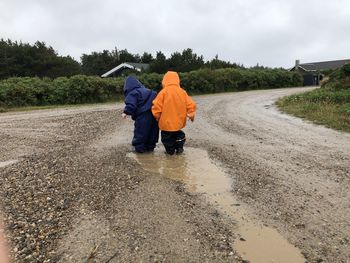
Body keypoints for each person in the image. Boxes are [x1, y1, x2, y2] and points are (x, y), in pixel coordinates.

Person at [152, 71, 196, 155]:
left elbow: (156, 106)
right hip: (178, 122)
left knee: (166, 139)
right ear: (177, 80)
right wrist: (191, 114)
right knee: (178, 134)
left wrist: (157, 116)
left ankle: (170, 151)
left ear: (164, 81)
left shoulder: (162, 93)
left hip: (166, 123)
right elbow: (191, 104)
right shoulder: (182, 92)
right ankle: (179, 146)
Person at [122, 76, 159, 153]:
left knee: (140, 132)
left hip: (143, 116)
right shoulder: (150, 91)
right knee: (153, 131)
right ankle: (150, 147)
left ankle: (139, 149)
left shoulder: (133, 93)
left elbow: (131, 104)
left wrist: (126, 112)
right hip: (155, 115)